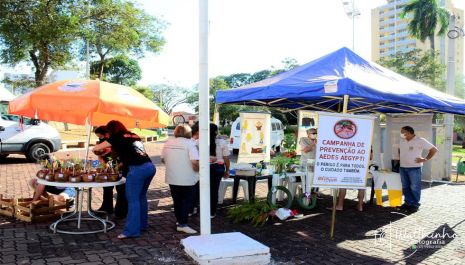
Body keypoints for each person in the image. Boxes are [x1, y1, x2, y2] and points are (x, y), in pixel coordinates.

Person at [93, 120, 155, 239]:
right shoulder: (133, 135)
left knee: (133, 200)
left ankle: (131, 231)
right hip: (150, 166)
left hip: (137, 169)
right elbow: (130, 149)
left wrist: (99, 151)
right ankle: (142, 225)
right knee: (141, 197)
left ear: (111, 130)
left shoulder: (116, 137)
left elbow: (97, 148)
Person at [162, 124, 199, 234]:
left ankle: (180, 221)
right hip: (188, 178)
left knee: (177, 200)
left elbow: (163, 159)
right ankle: (182, 224)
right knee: (188, 200)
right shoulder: (190, 144)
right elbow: (194, 162)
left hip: (172, 176)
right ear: (189, 132)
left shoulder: (168, 142)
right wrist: (197, 170)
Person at [399, 126, 437, 211]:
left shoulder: (420, 140)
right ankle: (407, 203)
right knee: (405, 187)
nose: (401, 134)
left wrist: (425, 159)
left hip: (415, 168)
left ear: (409, 132)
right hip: (403, 167)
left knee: (414, 187)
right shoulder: (402, 141)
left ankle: (415, 205)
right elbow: (400, 150)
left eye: (402, 132)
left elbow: (434, 150)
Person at [94, 126, 128, 218]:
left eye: (101, 136)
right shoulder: (102, 141)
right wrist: (104, 164)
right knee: (107, 188)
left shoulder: (117, 140)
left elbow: (124, 156)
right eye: (99, 137)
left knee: (121, 189)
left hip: (120, 166)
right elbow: (99, 154)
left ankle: (121, 211)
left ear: (107, 134)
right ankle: (106, 208)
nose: (100, 138)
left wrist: (117, 166)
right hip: (107, 167)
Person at [335, 147, 374, 212]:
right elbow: (370, 157)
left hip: (350, 166)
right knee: (361, 186)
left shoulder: (351, 140)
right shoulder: (367, 141)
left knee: (343, 184)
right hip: (361, 168)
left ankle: (340, 205)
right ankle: (360, 206)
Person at [209, 123, 231, 218]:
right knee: (214, 190)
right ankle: (212, 212)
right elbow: (226, 158)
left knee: (203, 190)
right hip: (218, 168)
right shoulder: (222, 142)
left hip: (205, 168)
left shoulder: (200, 141)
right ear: (216, 131)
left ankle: (201, 209)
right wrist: (227, 170)